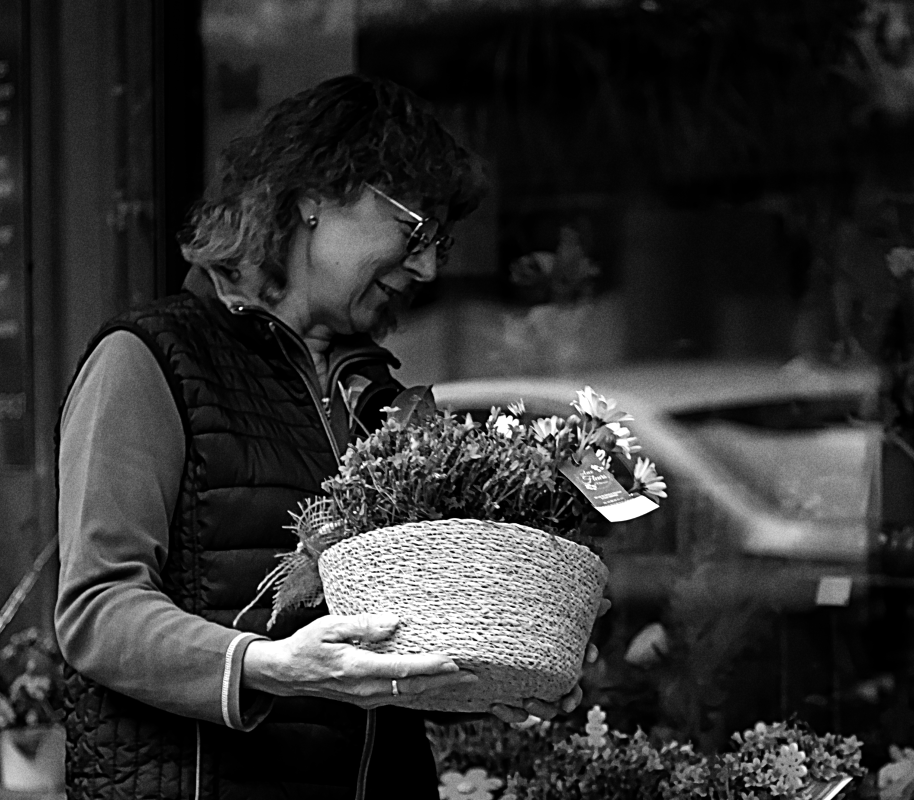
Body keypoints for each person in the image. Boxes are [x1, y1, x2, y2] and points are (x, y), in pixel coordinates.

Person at [54, 74, 590, 800]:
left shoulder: (380, 400)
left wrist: (499, 667)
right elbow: (97, 612)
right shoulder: (150, 359)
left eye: (443, 240)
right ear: (312, 196)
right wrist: (266, 665)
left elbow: (393, 652)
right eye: (414, 228)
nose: (430, 265)